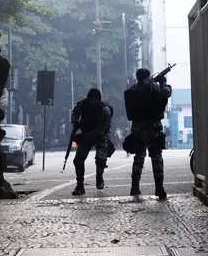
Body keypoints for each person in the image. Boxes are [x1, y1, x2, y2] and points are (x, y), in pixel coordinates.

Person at [123, 68, 172, 200]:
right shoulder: (154, 88)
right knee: (156, 157)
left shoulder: (132, 91)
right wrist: (163, 82)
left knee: (139, 157)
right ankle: (159, 187)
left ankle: (134, 187)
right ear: (148, 77)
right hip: (152, 127)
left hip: (138, 128)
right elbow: (167, 93)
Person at [70, 88, 114, 196]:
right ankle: (80, 185)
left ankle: (99, 176)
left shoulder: (105, 109)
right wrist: (75, 122)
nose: (93, 102)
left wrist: (83, 136)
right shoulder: (82, 105)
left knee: (101, 159)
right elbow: (74, 114)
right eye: (91, 100)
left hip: (101, 136)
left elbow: (101, 130)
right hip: (86, 134)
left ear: (99, 100)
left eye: (95, 100)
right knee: (78, 159)